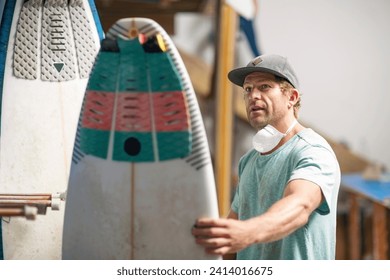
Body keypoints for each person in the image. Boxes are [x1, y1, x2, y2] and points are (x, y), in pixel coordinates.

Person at [192, 54, 341, 260]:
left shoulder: (312, 151)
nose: (253, 96)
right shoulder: (249, 160)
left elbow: (300, 205)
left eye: (264, 87)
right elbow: (232, 235)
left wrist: (248, 233)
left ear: (292, 97)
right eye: (247, 89)